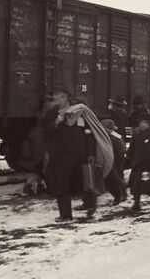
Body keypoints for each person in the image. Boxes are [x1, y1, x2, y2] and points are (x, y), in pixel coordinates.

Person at [44, 83, 112, 222]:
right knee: (60, 185)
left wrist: (91, 154)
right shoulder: (53, 115)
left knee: (86, 181)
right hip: (60, 156)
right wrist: (56, 123)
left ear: (65, 96)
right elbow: (46, 133)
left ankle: (90, 207)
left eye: (57, 95)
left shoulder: (80, 113)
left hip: (79, 156)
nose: (54, 98)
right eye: (54, 95)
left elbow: (89, 135)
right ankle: (65, 215)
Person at [126, 112, 150, 213]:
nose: (142, 124)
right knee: (136, 184)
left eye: (145, 122)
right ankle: (136, 203)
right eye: (141, 122)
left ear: (149, 123)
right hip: (138, 163)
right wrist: (128, 156)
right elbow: (132, 147)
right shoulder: (136, 133)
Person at [101, 119, 127, 205]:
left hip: (116, 161)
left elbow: (121, 149)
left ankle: (123, 194)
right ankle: (120, 194)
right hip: (109, 160)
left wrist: (118, 160)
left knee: (118, 178)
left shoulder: (115, 137)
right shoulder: (106, 136)